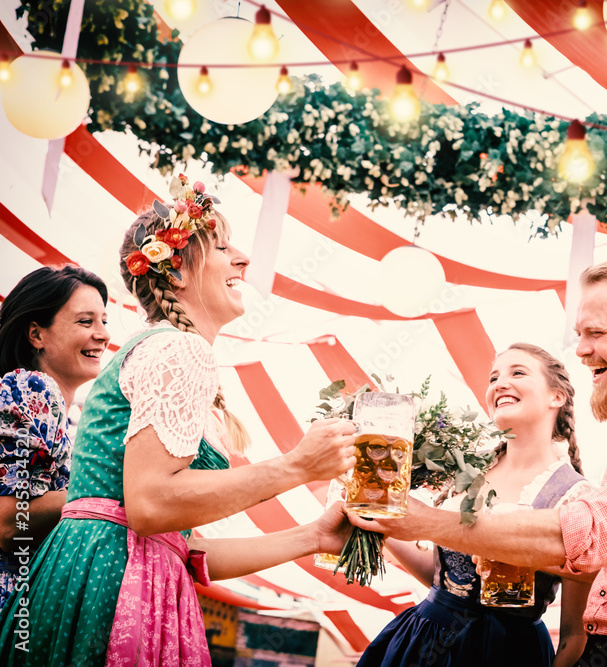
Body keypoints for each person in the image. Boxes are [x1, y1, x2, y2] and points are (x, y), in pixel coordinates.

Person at [0, 177, 357, 666]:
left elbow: (183, 549)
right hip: (114, 585)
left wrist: (314, 536)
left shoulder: (168, 351)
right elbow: (149, 506)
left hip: (113, 573)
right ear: (179, 273)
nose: (244, 259)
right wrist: (297, 466)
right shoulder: (177, 349)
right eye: (223, 245)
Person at [351, 252, 607, 667]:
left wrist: (413, 517)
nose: (580, 350)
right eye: (580, 333)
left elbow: (580, 537)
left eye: (595, 332)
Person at [357, 343, 595, 667]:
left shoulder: (576, 496)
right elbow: (444, 577)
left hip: (508, 652)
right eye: (494, 377)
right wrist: (383, 524)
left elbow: (573, 634)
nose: (499, 383)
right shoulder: (469, 469)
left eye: (518, 372)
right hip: (427, 639)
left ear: (557, 396)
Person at [0, 266, 110, 609]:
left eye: (104, 321)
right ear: (37, 335)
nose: (103, 335)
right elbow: (8, 521)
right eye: (85, 321)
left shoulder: (63, 414)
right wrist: (108, 492)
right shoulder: (31, 387)